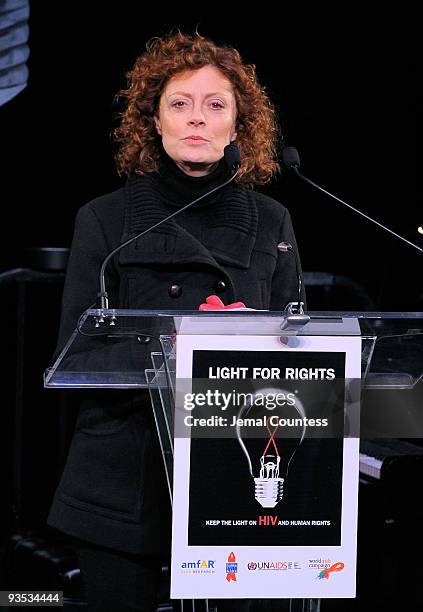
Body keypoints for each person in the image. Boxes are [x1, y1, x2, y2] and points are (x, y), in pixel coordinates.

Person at [47, 31, 305, 612]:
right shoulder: (105, 220)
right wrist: (186, 343)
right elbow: (75, 355)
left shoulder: (271, 221)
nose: (197, 119)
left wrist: (246, 345)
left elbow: (301, 352)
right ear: (153, 122)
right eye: (179, 104)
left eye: (216, 106)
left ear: (238, 128)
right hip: (124, 476)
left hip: (235, 473)